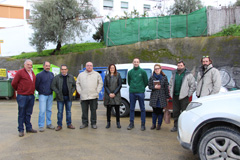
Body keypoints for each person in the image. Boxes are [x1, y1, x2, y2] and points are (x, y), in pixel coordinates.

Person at [11, 59, 37, 137]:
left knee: (28, 113)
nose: (29, 66)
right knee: (21, 113)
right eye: (28, 64)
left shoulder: (32, 72)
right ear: (24, 65)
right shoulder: (20, 72)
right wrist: (20, 90)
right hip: (22, 96)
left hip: (31, 96)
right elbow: (13, 83)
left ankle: (29, 128)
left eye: (30, 65)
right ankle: (21, 130)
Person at [169, 61, 196, 132]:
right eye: (178, 65)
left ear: (184, 66)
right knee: (175, 112)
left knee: (184, 113)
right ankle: (175, 126)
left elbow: (192, 85)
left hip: (184, 97)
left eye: (181, 65)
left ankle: (184, 127)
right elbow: (170, 84)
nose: (179, 67)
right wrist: (171, 91)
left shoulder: (188, 74)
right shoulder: (174, 73)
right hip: (175, 96)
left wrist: (188, 94)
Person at [76, 62, 103, 129]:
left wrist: (97, 91)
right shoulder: (81, 75)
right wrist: (80, 92)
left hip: (93, 96)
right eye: (88, 65)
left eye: (90, 65)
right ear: (85, 66)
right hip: (84, 96)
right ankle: (84, 123)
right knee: (84, 111)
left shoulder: (97, 74)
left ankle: (93, 123)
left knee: (93, 110)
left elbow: (100, 83)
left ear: (92, 66)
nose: (89, 67)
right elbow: (77, 84)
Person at [51, 65, 76, 131]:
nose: (64, 70)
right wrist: (58, 92)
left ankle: (69, 124)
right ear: (60, 70)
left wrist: (71, 92)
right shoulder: (57, 77)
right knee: (60, 112)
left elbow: (74, 85)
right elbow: (53, 86)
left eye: (65, 69)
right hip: (60, 97)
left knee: (68, 111)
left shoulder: (71, 77)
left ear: (67, 70)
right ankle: (59, 125)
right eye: (62, 69)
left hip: (69, 97)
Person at [127, 58, 148, 131]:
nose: (136, 63)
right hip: (132, 92)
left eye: (137, 62)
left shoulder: (142, 72)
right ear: (132, 63)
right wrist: (133, 87)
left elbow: (146, 82)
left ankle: (143, 124)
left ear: (139, 63)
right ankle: (131, 123)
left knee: (142, 108)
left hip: (140, 92)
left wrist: (141, 88)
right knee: (131, 108)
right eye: (134, 62)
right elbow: (129, 82)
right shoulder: (130, 72)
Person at [148, 64, 170, 130]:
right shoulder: (152, 77)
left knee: (160, 112)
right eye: (155, 69)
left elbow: (166, 87)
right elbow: (149, 86)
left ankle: (159, 125)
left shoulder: (164, 77)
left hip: (161, 97)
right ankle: (153, 124)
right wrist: (154, 87)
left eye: (158, 68)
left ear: (160, 69)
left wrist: (167, 96)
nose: (157, 70)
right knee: (154, 111)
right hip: (154, 97)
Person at [35, 61, 55, 132]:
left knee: (49, 110)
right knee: (42, 111)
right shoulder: (39, 75)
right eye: (46, 65)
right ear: (43, 66)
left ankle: (49, 124)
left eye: (49, 66)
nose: (47, 67)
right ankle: (41, 125)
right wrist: (42, 91)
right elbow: (36, 86)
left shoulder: (52, 74)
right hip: (43, 95)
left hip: (50, 95)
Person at [104, 64, 122, 129]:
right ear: (109, 69)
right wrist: (109, 93)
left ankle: (118, 123)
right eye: (111, 68)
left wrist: (114, 93)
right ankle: (108, 123)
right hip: (108, 96)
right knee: (108, 111)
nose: (112, 69)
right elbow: (105, 86)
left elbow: (120, 85)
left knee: (117, 110)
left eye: (113, 68)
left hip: (116, 95)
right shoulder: (106, 76)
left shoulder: (118, 75)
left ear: (115, 69)